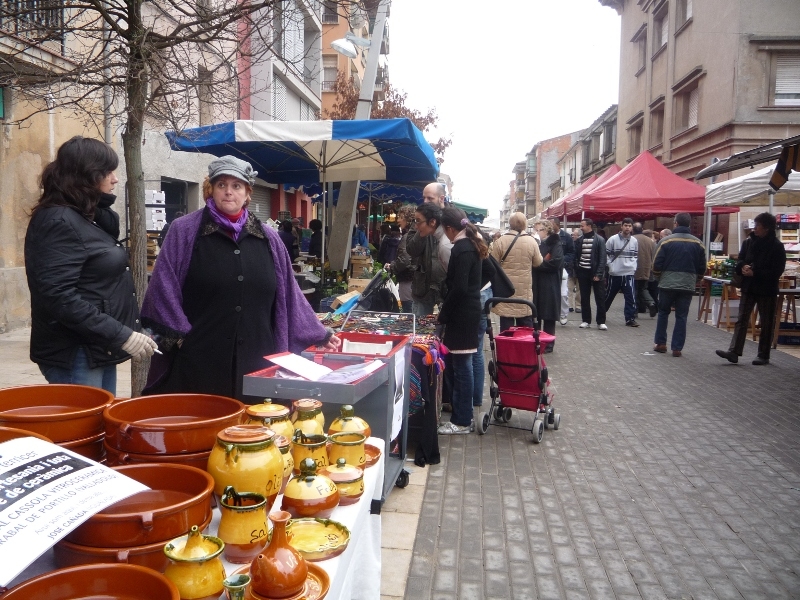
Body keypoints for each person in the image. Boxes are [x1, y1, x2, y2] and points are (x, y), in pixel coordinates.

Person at [140, 156, 340, 402]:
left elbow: (290, 294)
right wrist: (181, 339)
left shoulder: (269, 238)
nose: (228, 192)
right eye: (221, 184)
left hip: (259, 360)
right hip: (200, 361)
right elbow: (163, 288)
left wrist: (321, 334)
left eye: (236, 186)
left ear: (247, 194)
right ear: (211, 190)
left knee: (254, 433)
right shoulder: (184, 231)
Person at [24, 136, 155, 395]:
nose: (115, 179)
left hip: (96, 346)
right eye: (107, 172)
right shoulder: (59, 221)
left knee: (100, 429)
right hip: (76, 352)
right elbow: (58, 296)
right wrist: (121, 335)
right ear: (86, 175)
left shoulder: (83, 217)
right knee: (85, 430)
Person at [436, 207, 488, 435]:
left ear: (449, 228)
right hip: (467, 311)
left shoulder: (463, 249)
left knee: (462, 367)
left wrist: (444, 313)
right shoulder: (469, 244)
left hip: (463, 314)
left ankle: (462, 420)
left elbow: (459, 288)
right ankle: (462, 415)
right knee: (461, 365)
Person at [716, 212, 787, 365]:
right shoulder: (748, 242)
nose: (755, 229)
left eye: (758, 226)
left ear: (766, 228)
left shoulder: (777, 246)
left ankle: (763, 354)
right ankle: (734, 351)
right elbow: (740, 259)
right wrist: (742, 267)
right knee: (742, 319)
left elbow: (777, 270)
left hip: (766, 289)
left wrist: (756, 272)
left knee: (766, 321)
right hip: (748, 287)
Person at [652, 213, 706, 357]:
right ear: (689, 224)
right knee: (682, 316)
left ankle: (661, 343)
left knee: (663, 313)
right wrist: (695, 280)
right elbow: (702, 267)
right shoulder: (698, 243)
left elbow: (656, 264)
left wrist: (659, 278)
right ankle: (677, 348)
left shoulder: (665, 241)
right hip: (687, 284)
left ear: (675, 223)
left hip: (667, 283)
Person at [490, 212, 543, 332]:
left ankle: (506, 350)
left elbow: (493, 264)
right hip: (524, 291)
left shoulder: (501, 241)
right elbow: (538, 262)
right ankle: (524, 350)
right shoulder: (531, 241)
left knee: (506, 328)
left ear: (510, 223)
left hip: (505, 290)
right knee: (525, 328)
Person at [406, 202, 452, 317]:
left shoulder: (447, 237)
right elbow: (411, 249)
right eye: (424, 197)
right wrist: (421, 231)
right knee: (419, 327)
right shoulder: (421, 221)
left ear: (441, 199)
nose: (426, 200)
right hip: (423, 287)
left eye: (430, 198)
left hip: (445, 288)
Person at [532, 220, 564, 352]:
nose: (536, 232)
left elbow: (555, 263)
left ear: (546, 231)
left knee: (549, 316)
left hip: (550, 284)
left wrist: (539, 265)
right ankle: (537, 341)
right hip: (539, 283)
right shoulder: (540, 243)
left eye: (538, 230)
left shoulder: (555, 243)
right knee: (537, 313)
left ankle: (549, 343)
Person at [604, 218, 639, 327]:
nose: (627, 228)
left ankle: (630, 319)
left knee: (630, 297)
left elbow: (635, 255)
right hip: (615, 274)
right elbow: (606, 255)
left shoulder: (634, 241)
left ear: (632, 227)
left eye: (629, 226)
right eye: (625, 225)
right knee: (609, 295)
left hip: (628, 273)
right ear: (621, 226)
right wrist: (611, 267)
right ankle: (601, 314)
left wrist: (633, 267)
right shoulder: (612, 240)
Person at [574, 218, 608, 330]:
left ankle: (601, 321)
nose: (580, 227)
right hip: (583, 271)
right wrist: (578, 269)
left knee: (600, 297)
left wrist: (598, 273)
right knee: (584, 297)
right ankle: (586, 320)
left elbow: (603, 258)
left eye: (582, 225)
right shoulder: (579, 240)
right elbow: (576, 256)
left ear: (589, 226)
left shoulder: (600, 240)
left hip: (595, 272)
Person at [385, 204, 418, 313]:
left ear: (408, 219)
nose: (398, 220)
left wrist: (392, 266)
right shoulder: (416, 234)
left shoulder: (408, 236)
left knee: (409, 312)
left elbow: (405, 260)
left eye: (401, 217)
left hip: (408, 281)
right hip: (414, 281)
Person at [551, 218, 573, 325]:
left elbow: (571, 252)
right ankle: (552, 314)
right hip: (550, 268)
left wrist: (562, 261)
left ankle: (564, 314)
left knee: (563, 293)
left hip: (563, 269)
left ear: (557, 225)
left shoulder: (566, 237)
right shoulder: (548, 237)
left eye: (552, 224)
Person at [633, 222, 658, 317]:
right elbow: (655, 255)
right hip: (647, 269)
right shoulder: (650, 241)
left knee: (633, 290)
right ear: (642, 229)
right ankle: (651, 303)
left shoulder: (632, 239)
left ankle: (634, 310)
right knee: (643, 288)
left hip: (634, 268)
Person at [569, 229, 581, 312]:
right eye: (572, 234)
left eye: (575, 235)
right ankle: (569, 305)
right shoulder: (570, 244)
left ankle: (578, 305)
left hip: (579, 269)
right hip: (570, 269)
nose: (573, 236)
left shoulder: (581, 244)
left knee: (579, 290)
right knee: (568, 288)